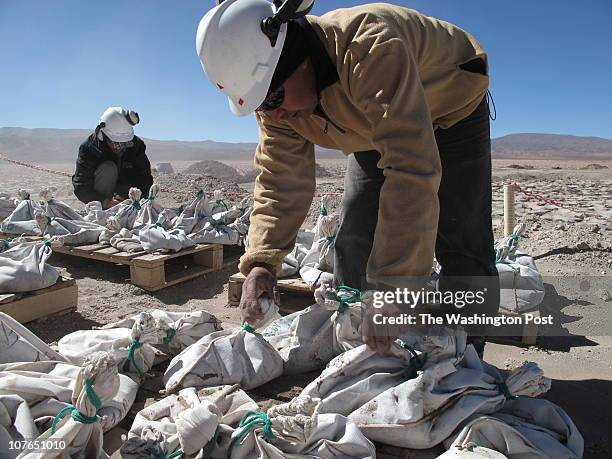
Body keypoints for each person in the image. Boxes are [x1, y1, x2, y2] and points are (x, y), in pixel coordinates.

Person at [196, 0, 499, 354]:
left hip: (451, 103)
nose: (273, 113)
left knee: (461, 232)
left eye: (274, 96)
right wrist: (262, 261)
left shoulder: (367, 47)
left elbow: (411, 168)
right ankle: (356, 337)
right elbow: (280, 180)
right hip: (370, 120)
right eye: (261, 104)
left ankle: (466, 351)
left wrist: (393, 289)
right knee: (355, 231)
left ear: (299, 56)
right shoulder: (279, 108)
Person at [72, 106, 153, 209]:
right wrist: (105, 202)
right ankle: (105, 211)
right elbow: (81, 186)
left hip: (129, 197)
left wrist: (139, 200)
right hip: (102, 199)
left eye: (125, 143)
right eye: (116, 143)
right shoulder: (89, 149)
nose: (121, 147)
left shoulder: (136, 145)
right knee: (108, 168)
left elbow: (145, 177)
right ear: (103, 135)